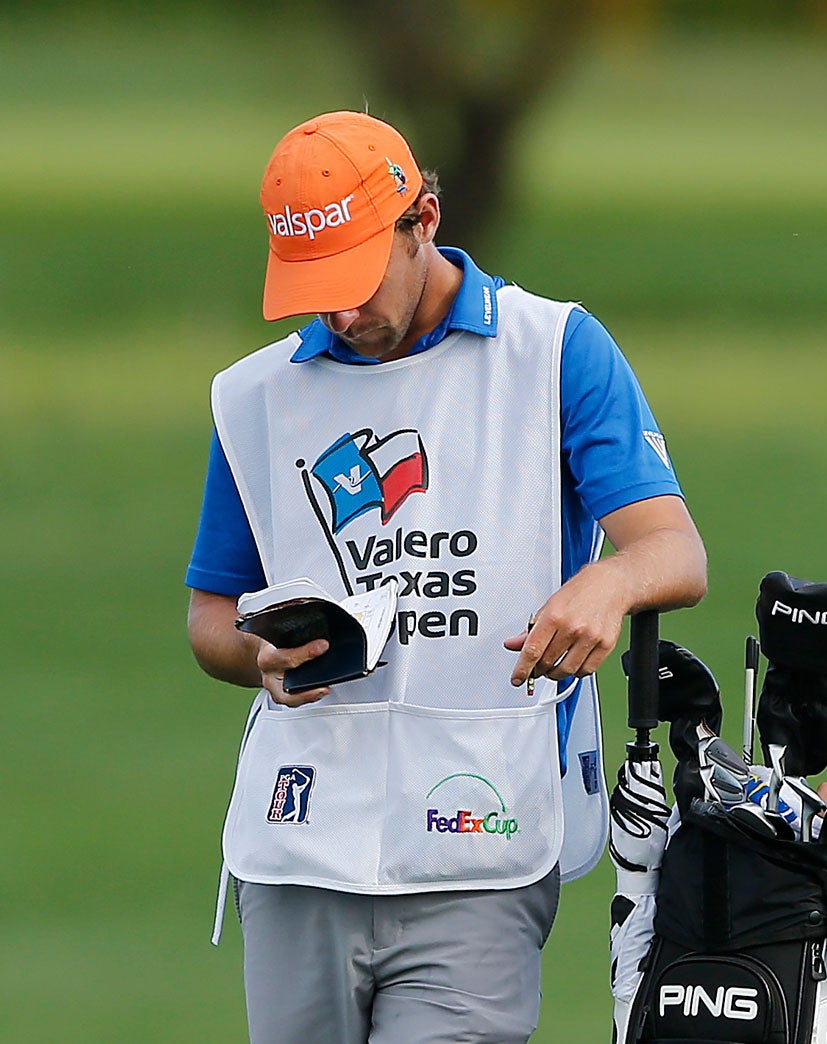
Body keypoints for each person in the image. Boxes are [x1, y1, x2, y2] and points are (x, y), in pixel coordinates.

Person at [184, 110, 707, 1044]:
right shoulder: (255, 396)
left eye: (354, 281)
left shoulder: (554, 349)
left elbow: (674, 550)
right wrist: (256, 657)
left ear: (422, 219)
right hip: (300, 840)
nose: (340, 316)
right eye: (313, 290)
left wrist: (611, 584)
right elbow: (210, 619)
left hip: (481, 837)